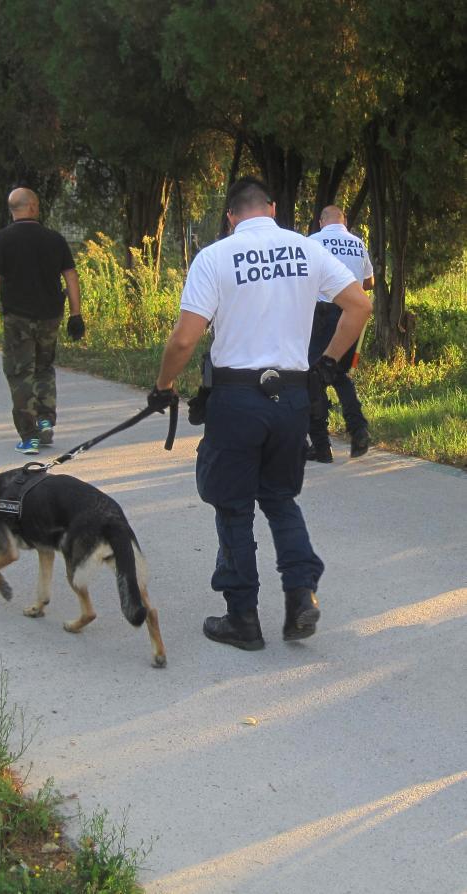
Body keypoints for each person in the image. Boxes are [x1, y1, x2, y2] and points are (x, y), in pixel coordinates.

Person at [147, 177, 371, 650]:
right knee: (280, 498)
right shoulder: (305, 249)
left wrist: (163, 387)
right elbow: (359, 304)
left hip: (236, 399)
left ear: (231, 216)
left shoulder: (215, 257)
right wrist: (326, 365)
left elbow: (185, 339)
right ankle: (300, 594)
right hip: (291, 397)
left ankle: (242, 619)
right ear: (272, 208)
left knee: (233, 504)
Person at [0, 187, 85, 454]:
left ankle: (29, 435)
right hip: (50, 317)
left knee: (19, 372)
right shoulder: (54, 239)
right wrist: (76, 314)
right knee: (44, 367)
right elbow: (71, 277)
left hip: (18, 319)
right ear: (34, 207)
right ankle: (45, 419)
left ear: (13, 209)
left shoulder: (3, 239)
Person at [307, 205, 374, 462]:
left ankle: (321, 446)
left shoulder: (313, 241)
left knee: (314, 378)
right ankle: (358, 430)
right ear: (344, 220)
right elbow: (369, 283)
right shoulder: (358, 243)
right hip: (352, 316)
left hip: (322, 316)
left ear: (322, 220)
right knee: (339, 374)